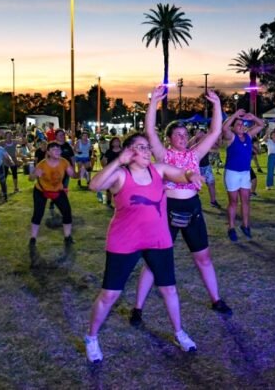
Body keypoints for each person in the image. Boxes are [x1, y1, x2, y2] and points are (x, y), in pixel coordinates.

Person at [84, 133, 201, 362]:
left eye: (148, 147)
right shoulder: (121, 174)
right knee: (110, 294)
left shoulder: (158, 170)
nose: (147, 151)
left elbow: (181, 173)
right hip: (124, 241)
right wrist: (118, 161)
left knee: (169, 289)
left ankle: (179, 333)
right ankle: (91, 337)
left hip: (158, 239)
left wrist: (191, 174)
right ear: (129, 151)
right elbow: (94, 185)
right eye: (141, 147)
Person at [132, 87, 232, 319]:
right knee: (154, 261)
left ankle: (216, 299)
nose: (183, 137)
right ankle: (137, 308)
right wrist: (154, 102)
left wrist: (217, 104)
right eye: (177, 134)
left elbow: (215, 130)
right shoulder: (163, 155)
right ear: (169, 139)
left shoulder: (194, 155)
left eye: (185, 134)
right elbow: (149, 130)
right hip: (167, 211)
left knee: (203, 257)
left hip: (192, 209)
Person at [222, 108, 265, 241]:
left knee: (246, 200)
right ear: (234, 127)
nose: (241, 126)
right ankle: (231, 227)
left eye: (242, 124)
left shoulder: (248, 136)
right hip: (232, 173)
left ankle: (245, 226)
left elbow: (261, 125)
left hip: (245, 173)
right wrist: (235, 115)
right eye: (238, 124)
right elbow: (224, 128)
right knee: (233, 202)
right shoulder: (231, 137)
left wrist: (253, 117)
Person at [29, 142, 78, 245]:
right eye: (54, 150)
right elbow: (31, 178)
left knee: (67, 212)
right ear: (48, 152)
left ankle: (67, 237)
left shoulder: (64, 162)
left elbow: (73, 175)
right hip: (41, 191)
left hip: (57, 190)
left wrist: (79, 174)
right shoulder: (42, 164)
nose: (57, 152)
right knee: (38, 214)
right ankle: (33, 238)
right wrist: (34, 175)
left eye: (59, 149)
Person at [190, 128, 221, 208]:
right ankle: (193, 201)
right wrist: (196, 137)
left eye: (203, 133)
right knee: (194, 186)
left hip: (206, 166)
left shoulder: (206, 142)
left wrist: (218, 138)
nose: (202, 134)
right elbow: (189, 148)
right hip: (195, 168)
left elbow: (217, 147)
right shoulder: (193, 140)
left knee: (211, 183)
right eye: (200, 133)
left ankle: (213, 201)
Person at [99, 137, 122, 208]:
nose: (116, 143)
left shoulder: (122, 151)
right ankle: (109, 201)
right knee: (109, 187)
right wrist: (105, 167)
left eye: (117, 141)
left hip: (120, 172)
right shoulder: (109, 151)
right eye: (115, 141)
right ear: (112, 143)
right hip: (111, 172)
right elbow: (103, 160)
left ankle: (119, 202)